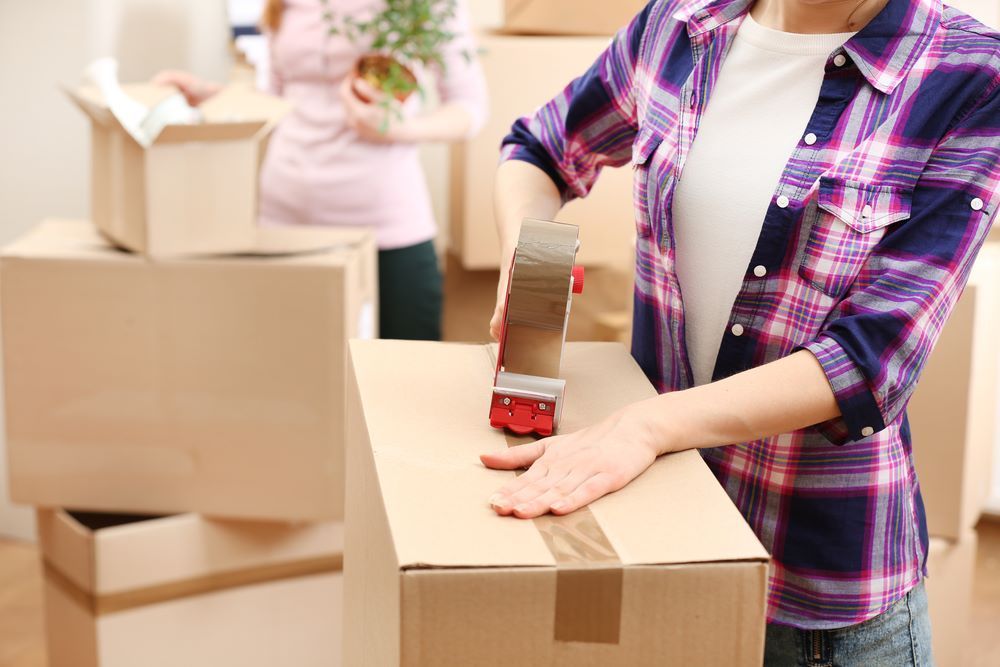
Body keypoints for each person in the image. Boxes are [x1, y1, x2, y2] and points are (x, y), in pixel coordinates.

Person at [482, 0, 999, 663]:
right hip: (662, 541)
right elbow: (542, 148)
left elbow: (869, 363)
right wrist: (529, 255)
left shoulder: (967, 72)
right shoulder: (678, 25)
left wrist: (646, 425)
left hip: (813, 603)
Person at [155, 0, 487, 341]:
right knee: (286, 377)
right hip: (283, 224)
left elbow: (469, 108)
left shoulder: (424, 6)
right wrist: (208, 96)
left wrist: (398, 128)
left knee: (406, 377)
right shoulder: (284, 6)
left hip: (384, 231)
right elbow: (277, 100)